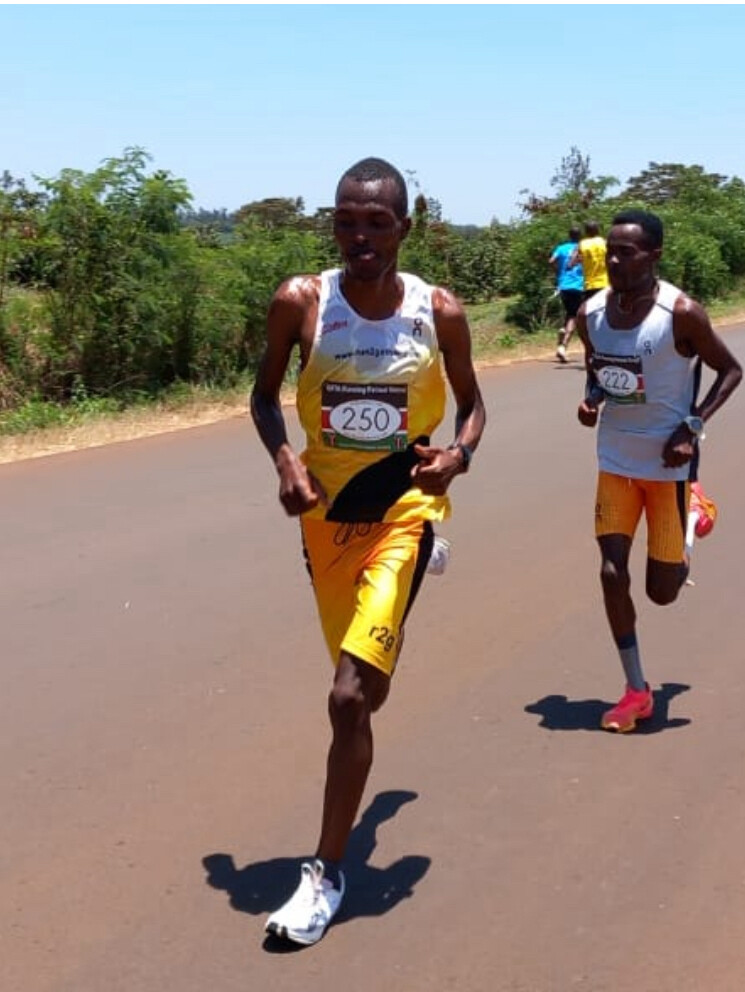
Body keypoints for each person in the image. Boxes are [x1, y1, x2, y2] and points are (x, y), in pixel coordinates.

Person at [249, 157, 486, 946]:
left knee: (349, 698)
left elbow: (473, 404)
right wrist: (285, 461)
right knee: (367, 694)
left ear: (403, 229)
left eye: (377, 224)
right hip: (326, 518)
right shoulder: (301, 302)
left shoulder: (437, 311)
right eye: (346, 222)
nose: (360, 238)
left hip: (403, 507)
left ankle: (325, 873)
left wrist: (458, 455)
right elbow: (263, 396)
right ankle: (406, 585)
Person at [575, 209, 743, 733]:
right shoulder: (590, 314)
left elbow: (731, 370)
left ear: (654, 256)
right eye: (611, 252)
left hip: (669, 466)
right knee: (611, 572)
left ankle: (693, 512)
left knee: (662, 592)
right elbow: (598, 369)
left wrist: (692, 426)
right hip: (615, 460)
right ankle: (636, 689)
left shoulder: (680, 314)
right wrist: (592, 398)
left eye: (626, 253)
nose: (614, 261)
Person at [550, 226, 584, 363]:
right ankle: (563, 346)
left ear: (569, 235)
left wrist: (558, 273)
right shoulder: (583, 248)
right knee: (574, 316)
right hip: (578, 286)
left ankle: (563, 331)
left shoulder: (561, 248)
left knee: (570, 313)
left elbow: (551, 260)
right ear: (580, 235)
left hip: (563, 285)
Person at [575, 220, 609, 303]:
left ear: (586, 232)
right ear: (598, 230)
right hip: (605, 282)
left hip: (589, 284)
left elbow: (574, 261)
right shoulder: (604, 242)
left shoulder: (582, 244)